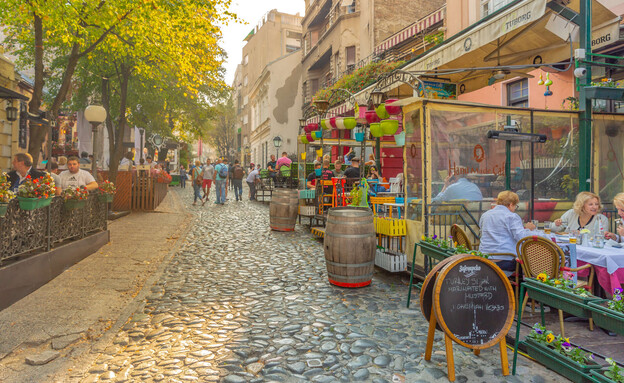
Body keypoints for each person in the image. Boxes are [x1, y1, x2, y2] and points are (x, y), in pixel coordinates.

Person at [479, 190, 537, 271]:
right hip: (504, 260)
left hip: (484, 259)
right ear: (511, 205)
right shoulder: (511, 216)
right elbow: (521, 238)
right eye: (515, 206)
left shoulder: (485, 215)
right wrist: (527, 229)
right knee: (535, 264)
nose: (515, 209)